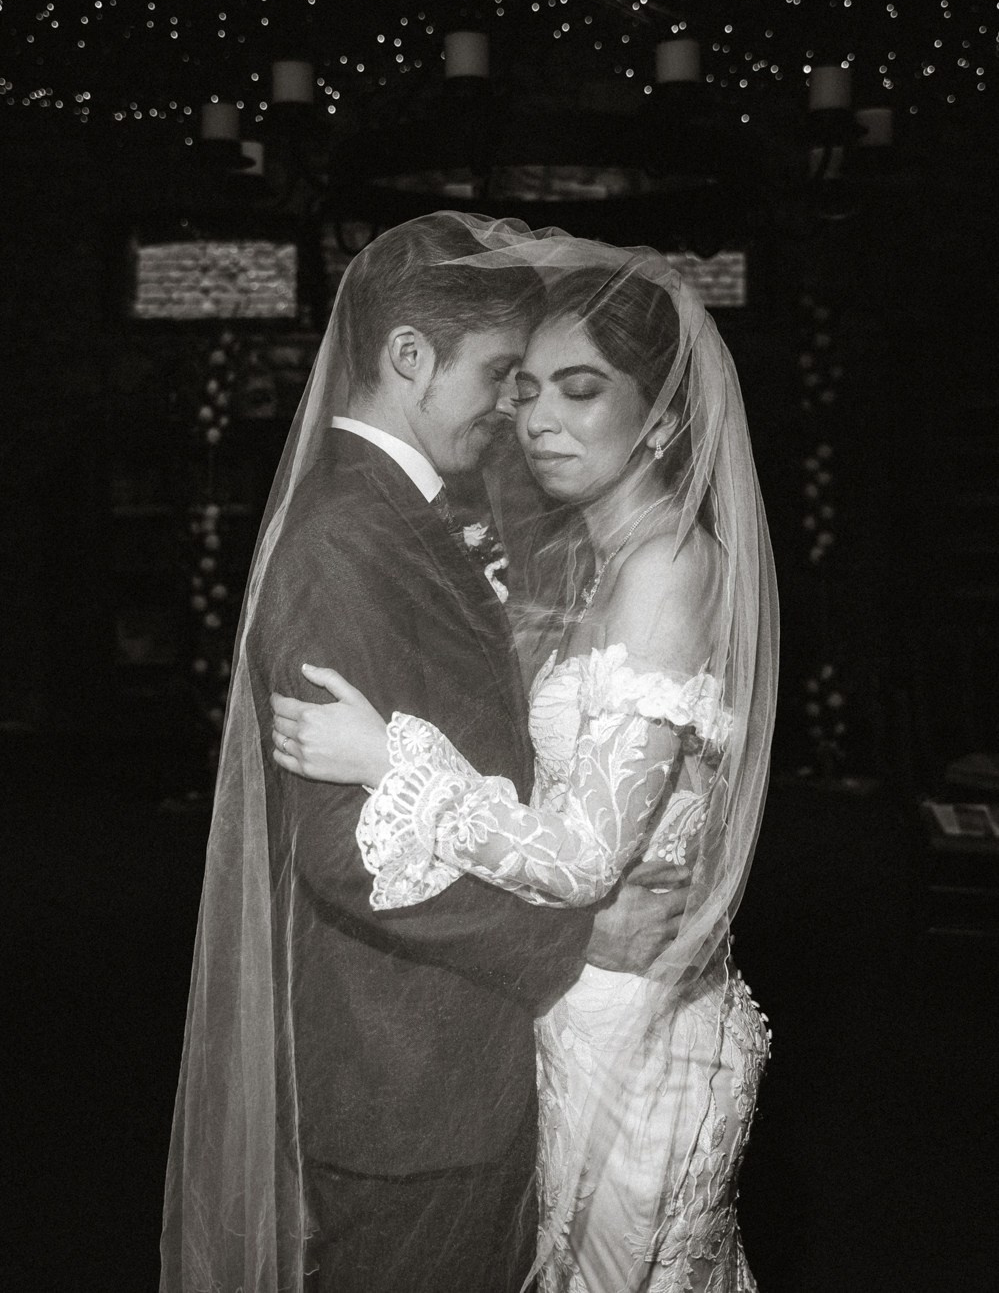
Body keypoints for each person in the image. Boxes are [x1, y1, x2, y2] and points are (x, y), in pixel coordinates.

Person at [159, 212, 690, 1293]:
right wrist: (565, 951)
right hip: (407, 1073)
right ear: (410, 358)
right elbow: (343, 850)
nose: (512, 408)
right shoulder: (342, 540)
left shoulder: (415, 511)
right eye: (501, 374)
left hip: (460, 1057)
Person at [271, 230, 779, 1292]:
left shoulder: (668, 574)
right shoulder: (597, 568)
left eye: (578, 389)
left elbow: (590, 857)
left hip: (637, 1026)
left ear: (665, 417)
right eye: (524, 385)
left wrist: (388, 756)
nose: (535, 417)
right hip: (568, 1016)